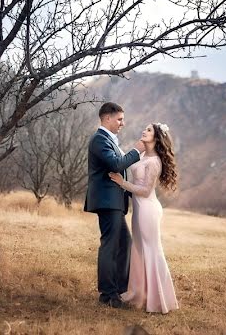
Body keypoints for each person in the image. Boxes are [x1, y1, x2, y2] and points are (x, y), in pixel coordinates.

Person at [108, 122, 179, 314]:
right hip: (139, 210)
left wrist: (123, 183)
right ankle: (137, 294)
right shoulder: (142, 155)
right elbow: (124, 161)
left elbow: (146, 191)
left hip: (148, 209)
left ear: (156, 138)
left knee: (152, 250)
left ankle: (159, 300)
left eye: (148, 130)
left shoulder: (154, 161)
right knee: (138, 251)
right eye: (145, 129)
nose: (143, 131)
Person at [84, 102, 146, 309]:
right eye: (119, 119)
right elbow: (117, 165)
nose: (123, 123)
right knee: (110, 246)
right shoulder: (99, 140)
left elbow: (119, 168)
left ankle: (119, 290)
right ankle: (108, 294)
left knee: (124, 244)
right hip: (107, 202)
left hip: (114, 202)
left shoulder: (109, 140)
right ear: (107, 118)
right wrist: (137, 150)